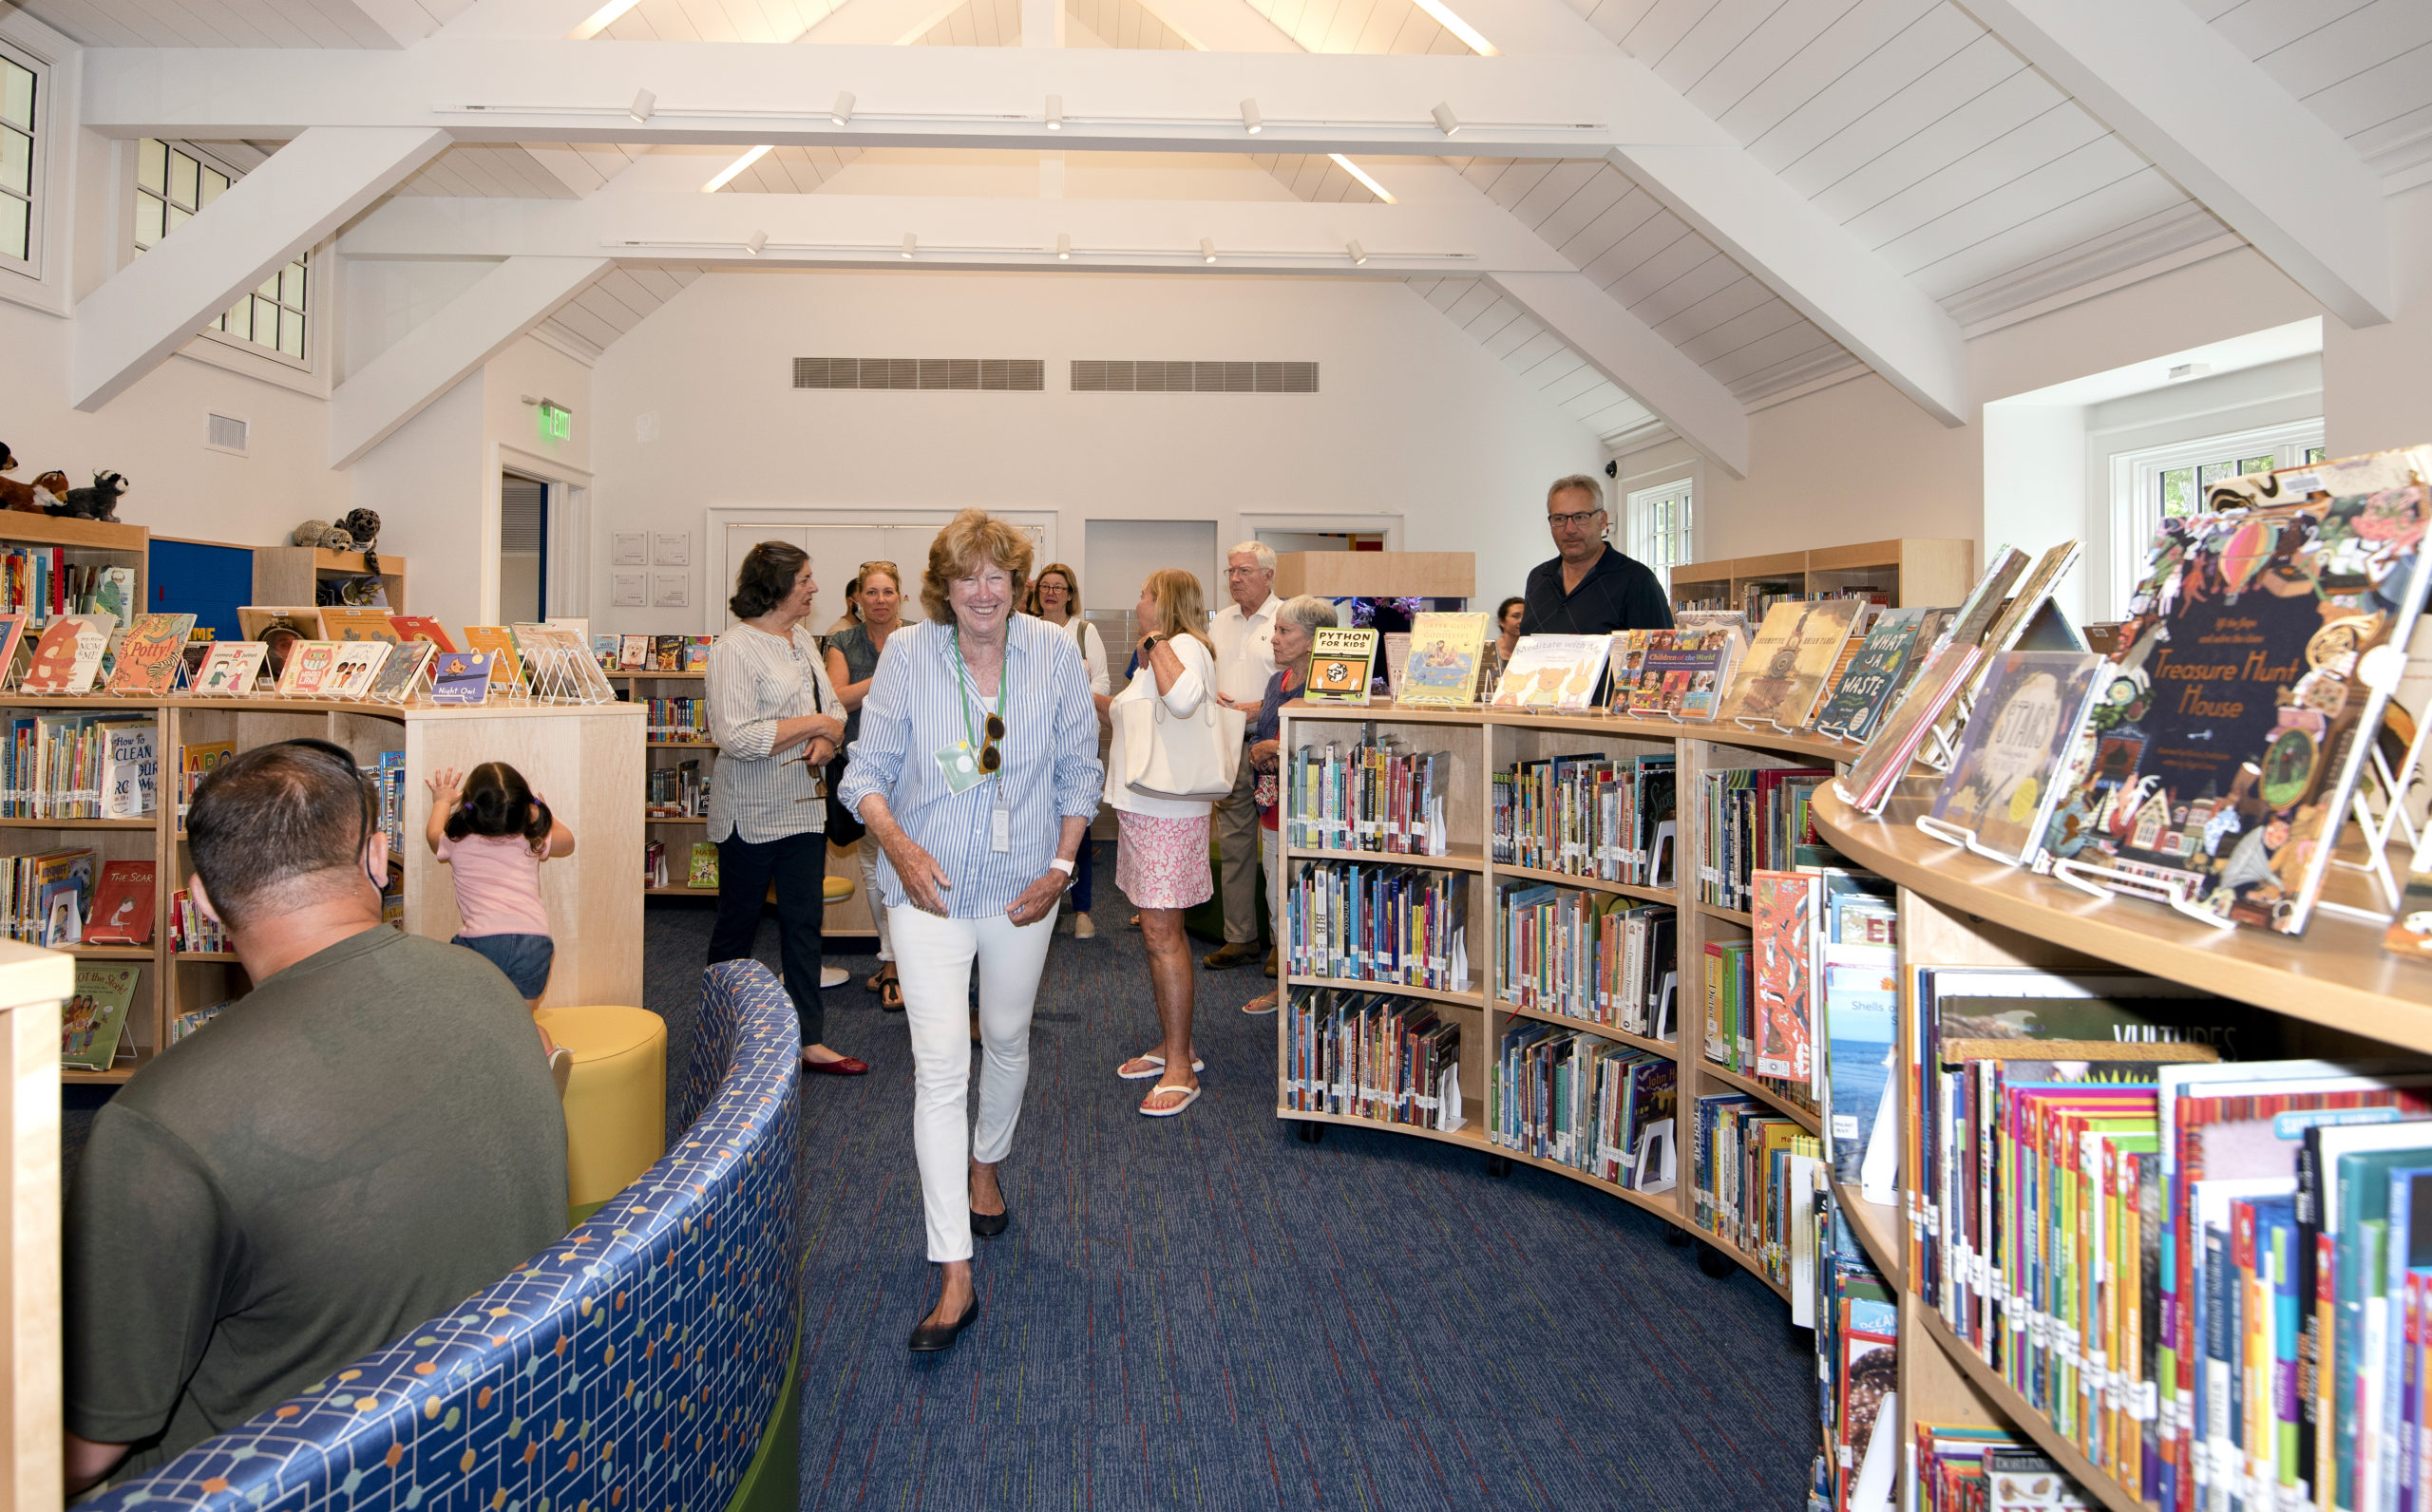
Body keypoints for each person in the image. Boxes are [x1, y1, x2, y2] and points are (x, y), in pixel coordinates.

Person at [63, 741, 566, 1490]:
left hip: (277, 1483)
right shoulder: (492, 989)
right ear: (376, 857)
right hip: (505, 1443)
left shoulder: (155, 1124)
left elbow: (87, 1449)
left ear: (201, 901)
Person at [839, 508, 1099, 1353]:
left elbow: (1077, 770)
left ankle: (988, 1163)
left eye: (998, 577)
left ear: (1018, 584)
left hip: (1026, 888)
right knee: (940, 1067)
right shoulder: (910, 656)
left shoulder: (1054, 653)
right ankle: (953, 1269)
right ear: (941, 588)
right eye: (966, 579)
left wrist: (1061, 870)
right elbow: (866, 775)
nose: (983, 593)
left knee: (1009, 1036)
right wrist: (902, 849)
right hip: (932, 889)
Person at [706, 540, 864, 1076]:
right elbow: (735, 737)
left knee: (804, 925)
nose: (815, 588)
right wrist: (815, 727)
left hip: (803, 809)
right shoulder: (733, 648)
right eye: (805, 579)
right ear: (775, 586)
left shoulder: (801, 640)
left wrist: (830, 739)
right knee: (738, 928)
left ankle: (808, 1038)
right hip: (749, 813)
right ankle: (722, 1033)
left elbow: (832, 709)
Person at [1110, 568, 1223, 1116]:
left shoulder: (1182, 646)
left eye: (1144, 594)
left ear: (1166, 603)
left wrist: (1154, 642)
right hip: (1146, 809)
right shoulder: (1164, 650)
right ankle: (1176, 1046)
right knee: (1157, 932)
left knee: (1162, 934)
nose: (1139, 602)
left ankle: (1181, 1065)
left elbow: (1181, 701)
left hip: (1167, 812)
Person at [424, 760, 578, 1086]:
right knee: (520, 1020)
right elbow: (568, 841)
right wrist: (542, 809)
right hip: (535, 943)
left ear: (470, 806)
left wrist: (441, 800)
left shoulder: (458, 843)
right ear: (523, 808)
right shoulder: (528, 840)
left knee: (475, 1014)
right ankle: (547, 1058)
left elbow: (433, 834)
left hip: (481, 943)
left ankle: (484, 1074)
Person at [1238, 595, 1337, 1016]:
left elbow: (1335, 742)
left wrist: (1277, 746)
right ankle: (1286, 991)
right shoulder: (1276, 683)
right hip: (1273, 811)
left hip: (1313, 817)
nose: (1274, 640)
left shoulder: (1330, 682)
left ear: (1314, 639)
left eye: (1284, 631)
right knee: (1279, 905)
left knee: (1316, 910)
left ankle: (1314, 996)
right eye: (1274, 630)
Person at [826, 561, 906, 1010]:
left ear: (901, 597)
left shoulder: (921, 634)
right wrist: (885, 678)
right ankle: (891, 957)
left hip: (911, 769)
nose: (879, 600)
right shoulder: (841, 642)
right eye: (871, 592)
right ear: (857, 597)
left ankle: (900, 961)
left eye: (888, 592)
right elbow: (837, 698)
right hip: (862, 767)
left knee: (904, 864)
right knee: (876, 868)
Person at [1023, 560, 1111, 939]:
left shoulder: (1084, 632)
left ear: (1070, 594)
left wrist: (1069, 696)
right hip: (1034, 744)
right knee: (1036, 825)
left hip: (1073, 743)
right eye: (1045, 586)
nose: (1052, 592)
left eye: (1060, 587)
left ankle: (1083, 911)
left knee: (1079, 826)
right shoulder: (1024, 631)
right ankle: (1041, 901)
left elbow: (1102, 684)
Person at [1205, 539, 1280, 972]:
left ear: (1268, 576)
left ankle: (1278, 945)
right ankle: (1240, 938)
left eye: (1244, 571)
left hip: (1271, 748)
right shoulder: (1221, 623)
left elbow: (1295, 687)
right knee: (1233, 845)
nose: (1235, 578)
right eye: (1231, 571)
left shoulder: (1286, 619)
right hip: (1230, 746)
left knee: (1274, 851)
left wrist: (1253, 710)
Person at [1517, 474, 1673, 637]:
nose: (1570, 529)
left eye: (1580, 517)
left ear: (1602, 520)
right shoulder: (1538, 578)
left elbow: (1660, 658)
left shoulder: (1637, 581)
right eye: (1560, 518)